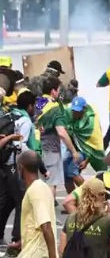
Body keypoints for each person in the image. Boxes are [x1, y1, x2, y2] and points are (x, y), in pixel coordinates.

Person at [0, 89, 39, 255]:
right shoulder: (25, 120)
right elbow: (20, 145)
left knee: (8, 200)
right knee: (21, 202)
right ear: (30, 106)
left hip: (4, 164)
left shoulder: (10, 114)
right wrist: (37, 162)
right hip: (15, 165)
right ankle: (17, 238)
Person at [35, 76, 78, 202]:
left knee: (39, 185)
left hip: (35, 148)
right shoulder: (54, 109)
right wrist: (74, 151)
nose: (59, 93)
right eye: (58, 90)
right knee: (51, 184)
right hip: (50, 150)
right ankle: (49, 217)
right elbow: (62, 133)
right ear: (53, 91)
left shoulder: (37, 102)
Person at [59, 177, 110, 258]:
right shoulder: (107, 220)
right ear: (100, 195)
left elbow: (61, 249)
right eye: (104, 194)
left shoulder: (72, 217)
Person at [16, 151, 57, 258]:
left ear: (21, 167)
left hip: (36, 253)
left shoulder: (36, 189)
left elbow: (46, 226)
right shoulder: (41, 187)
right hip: (33, 249)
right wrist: (22, 242)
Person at [65, 96, 107, 194]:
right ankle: (76, 202)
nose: (75, 113)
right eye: (74, 111)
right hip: (71, 148)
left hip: (83, 152)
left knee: (72, 172)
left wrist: (87, 161)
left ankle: (91, 194)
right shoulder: (68, 114)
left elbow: (94, 145)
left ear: (84, 110)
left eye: (78, 111)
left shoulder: (91, 124)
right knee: (66, 175)